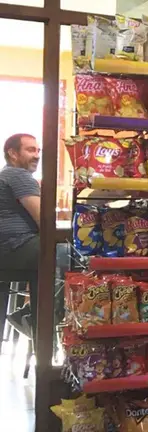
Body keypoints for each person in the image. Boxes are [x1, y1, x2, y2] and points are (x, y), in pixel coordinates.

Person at [0, 133, 41, 337]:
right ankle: (36, 320)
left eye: (38, 150)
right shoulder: (18, 175)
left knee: (58, 252)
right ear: (13, 154)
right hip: (14, 247)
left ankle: (28, 314)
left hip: (7, 249)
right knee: (68, 254)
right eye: (30, 150)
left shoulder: (5, 175)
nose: (37, 155)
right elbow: (44, 220)